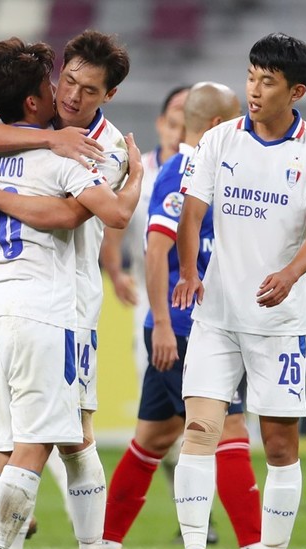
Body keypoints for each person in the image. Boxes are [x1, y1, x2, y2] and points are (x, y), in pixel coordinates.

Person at [100, 82, 306, 549]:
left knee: (154, 438)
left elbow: (242, 248)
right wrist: (161, 323)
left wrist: (300, 286)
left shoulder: (221, 166)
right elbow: (157, 250)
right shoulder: (186, 169)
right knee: (227, 431)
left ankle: (106, 546)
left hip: (196, 320)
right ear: (220, 124)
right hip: (190, 325)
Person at [0, 37, 142, 549]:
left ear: (109, 95)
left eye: (89, 90)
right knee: (18, 441)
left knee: (72, 438)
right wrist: (60, 143)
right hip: (42, 308)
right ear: (50, 84)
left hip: (68, 305)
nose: (73, 96)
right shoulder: (45, 140)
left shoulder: (103, 146)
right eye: (68, 82)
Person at [169, 33, 306, 549]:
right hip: (217, 314)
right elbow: (192, 213)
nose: (254, 90)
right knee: (200, 429)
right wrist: (190, 271)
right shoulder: (219, 139)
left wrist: (291, 276)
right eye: (251, 76)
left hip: (278, 322)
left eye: (268, 81)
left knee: (279, 446)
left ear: (296, 91)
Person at [100, 85, 189, 382]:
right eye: (173, 125)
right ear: (160, 123)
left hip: (201, 299)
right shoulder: (138, 173)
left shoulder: (210, 173)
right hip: (151, 298)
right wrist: (116, 273)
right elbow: (113, 231)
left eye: (186, 126)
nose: (178, 135)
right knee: (153, 386)